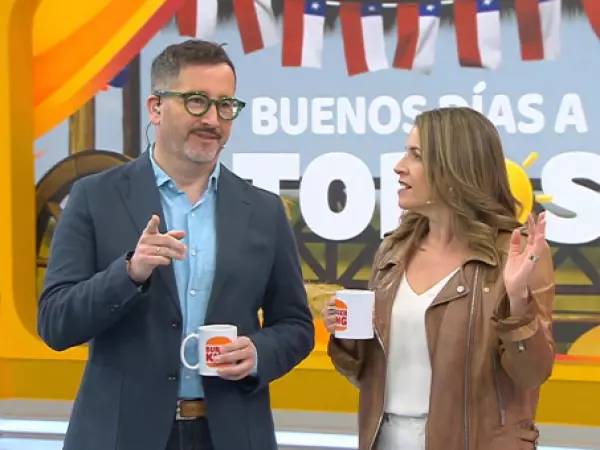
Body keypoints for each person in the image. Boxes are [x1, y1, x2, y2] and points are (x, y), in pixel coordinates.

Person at [38, 39, 314, 450]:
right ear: (156, 108)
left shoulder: (264, 211)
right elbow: (56, 324)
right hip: (121, 437)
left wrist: (258, 353)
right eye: (197, 101)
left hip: (231, 435)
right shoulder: (94, 198)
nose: (213, 120)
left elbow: (296, 326)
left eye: (225, 105)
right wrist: (129, 274)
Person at [322, 107, 555, 450]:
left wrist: (518, 301)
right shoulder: (393, 251)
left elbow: (532, 374)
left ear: (455, 168)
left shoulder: (516, 254)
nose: (399, 166)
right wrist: (348, 336)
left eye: (416, 155)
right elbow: (366, 375)